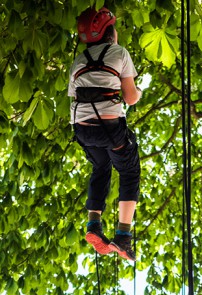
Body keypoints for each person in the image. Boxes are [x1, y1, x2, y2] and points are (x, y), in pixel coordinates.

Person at [68, 6, 142, 261]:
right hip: (109, 129)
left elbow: (74, 94)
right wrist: (138, 92)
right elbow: (131, 98)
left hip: (82, 129)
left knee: (101, 167)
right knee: (129, 170)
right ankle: (123, 236)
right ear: (110, 32)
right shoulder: (119, 53)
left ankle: (93, 225)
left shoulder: (78, 61)